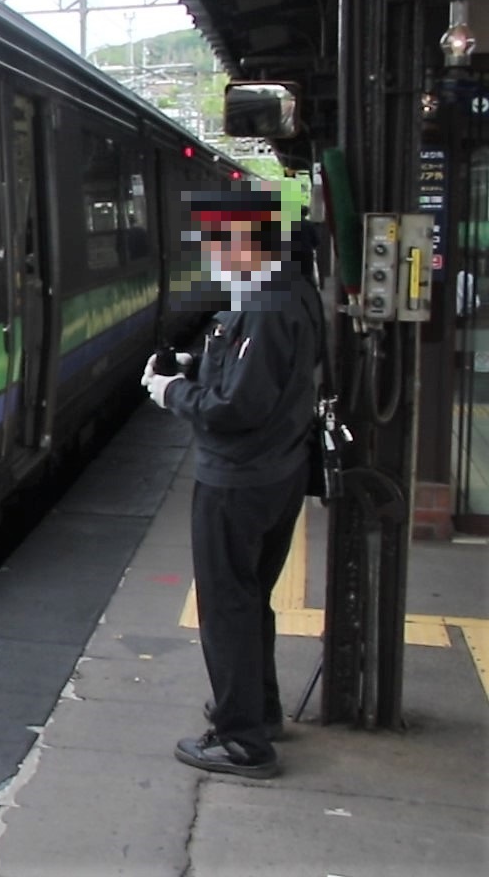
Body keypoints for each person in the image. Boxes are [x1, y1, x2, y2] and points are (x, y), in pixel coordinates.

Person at [141, 187, 320, 780]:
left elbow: (236, 406)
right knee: (247, 598)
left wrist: (172, 393)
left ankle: (242, 741)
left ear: (248, 241)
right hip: (275, 470)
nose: (211, 255)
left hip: (239, 479)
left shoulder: (267, 306)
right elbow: (257, 375)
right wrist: (196, 365)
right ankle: (259, 711)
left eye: (218, 242)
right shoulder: (288, 291)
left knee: (226, 606)